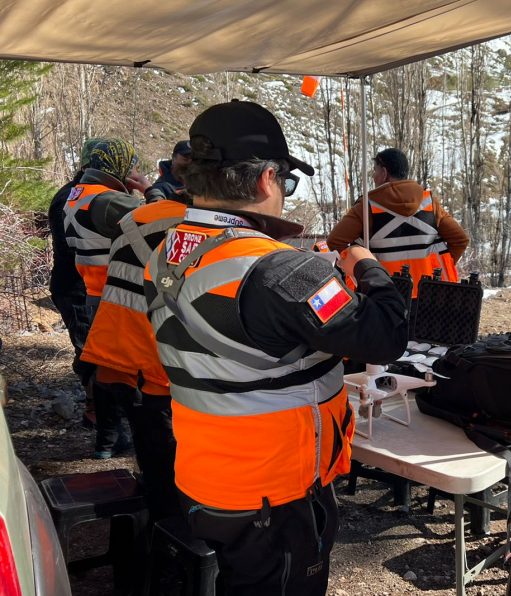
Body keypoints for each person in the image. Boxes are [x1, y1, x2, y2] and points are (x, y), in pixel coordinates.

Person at [143, 100, 408, 595]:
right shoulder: (283, 270)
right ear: (267, 179)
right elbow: (386, 335)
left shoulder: (166, 253)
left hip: (204, 476)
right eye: (285, 183)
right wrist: (367, 267)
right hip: (276, 492)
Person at [78, 193, 187, 517]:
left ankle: (156, 524)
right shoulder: (192, 226)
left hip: (118, 355)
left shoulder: (137, 218)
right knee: (170, 464)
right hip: (151, 360)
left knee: (152, 453)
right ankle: (170, 542)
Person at [63, 138, 150, 458]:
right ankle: (135, 439)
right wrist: (151, 191)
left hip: (94, 293)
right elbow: (154, 220)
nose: (134, 171)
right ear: (116, 166)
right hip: (116, 297)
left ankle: (107, 441)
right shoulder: (105, 200)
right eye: (131, 165)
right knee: (133, 373)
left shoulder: (78, 193)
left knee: (108, 371)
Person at [326, 147, 468, 296]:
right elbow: (460, 240)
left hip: (383, 298)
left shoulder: (367, 206)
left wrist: (362, 272)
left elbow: (335, 241)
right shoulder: (429, 203)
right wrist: (434, 268)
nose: (373, 177)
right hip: (428, 298)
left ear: (384, 173)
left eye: (375, 171)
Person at [48, 138, 103, 415]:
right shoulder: (72, 196)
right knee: (88, 347)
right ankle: (96, 412)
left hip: (82, 284)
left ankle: (100, 410)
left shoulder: (83, 193)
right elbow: (77, 244)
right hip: (75, 285)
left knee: (94, 345)